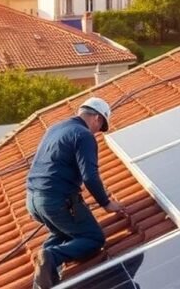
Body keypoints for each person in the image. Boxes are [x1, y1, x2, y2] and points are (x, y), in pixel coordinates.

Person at [26, 97, 125, 289]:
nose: (97, 132)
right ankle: (51, 256)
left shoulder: (55, 128)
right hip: (57, 200)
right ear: (96, 118)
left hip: (33, 200)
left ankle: (45, 269)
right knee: (93, 238)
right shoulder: (83, 135)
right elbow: (90, 176)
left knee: (65, 232)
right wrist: (106, 203)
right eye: (100, 126)